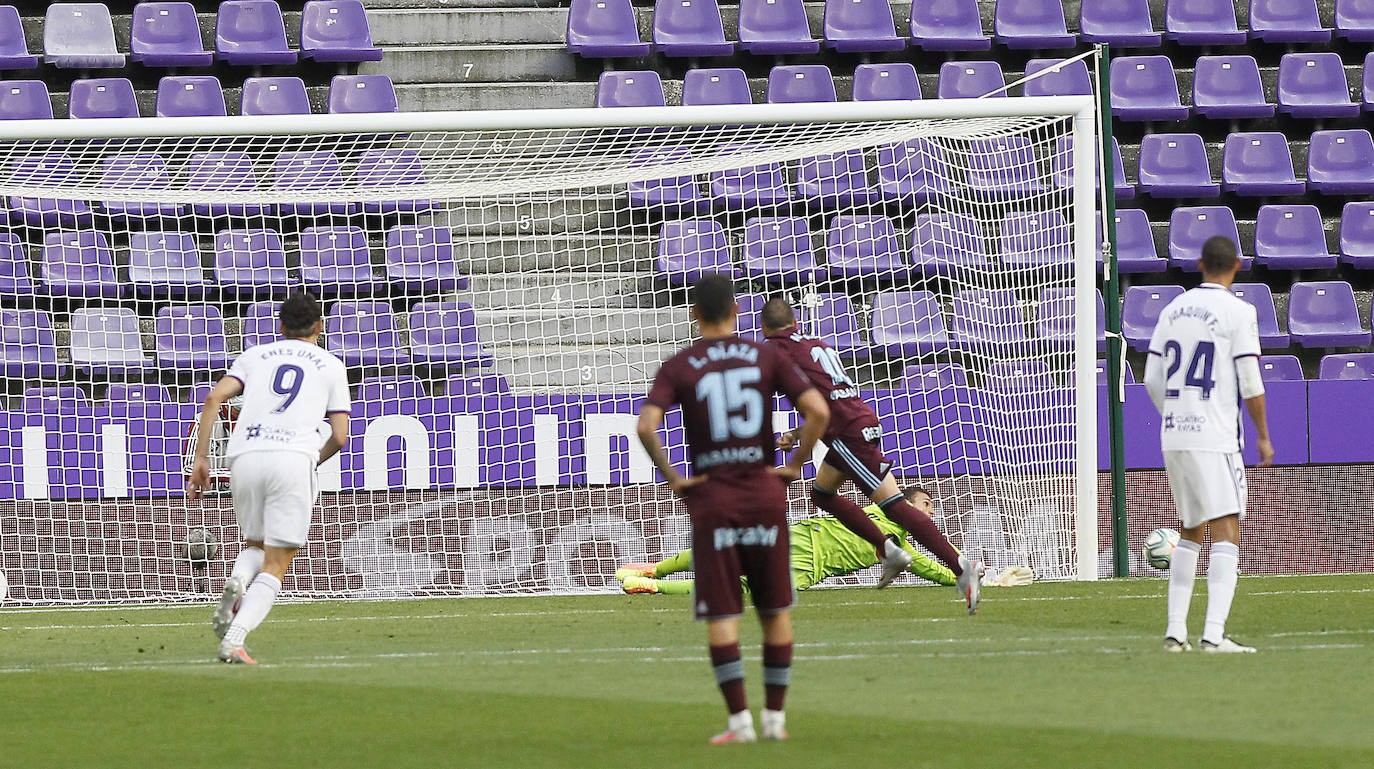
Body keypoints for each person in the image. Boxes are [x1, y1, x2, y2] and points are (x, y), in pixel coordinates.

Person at [637, 274, 829, 744]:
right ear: (737, 313)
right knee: (774, 608)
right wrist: (793, 466)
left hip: (714, 500)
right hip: (763, 493)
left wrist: (677, 478)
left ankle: (740, 722)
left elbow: (646, 426)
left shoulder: (680, 364)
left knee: (724, 615)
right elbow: (819, 412)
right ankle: (776, 722)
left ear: (695, 315)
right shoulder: (765, 356)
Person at [761, 297, 984, 613]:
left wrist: (797, 459)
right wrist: (798, 435)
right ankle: (888, 551)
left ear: (763, 329)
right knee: (822, 494)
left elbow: (821, 410)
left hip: (847, 432)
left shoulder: (776, 350)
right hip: (856, 421)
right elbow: (828, 401)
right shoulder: (814, 344)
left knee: (892, 504)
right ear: (795, 324)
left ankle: (960, 567)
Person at [187, 291, 352, 664]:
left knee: (255, 545)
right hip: (292, 458)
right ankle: (234, 639)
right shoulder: (330, 364)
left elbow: (213, 399)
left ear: (280, 326)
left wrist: (201, 459)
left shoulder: (254, 355)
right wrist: (311, 461)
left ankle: (238, 581)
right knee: (277, 563)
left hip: (244, 455)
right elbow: (340, 435)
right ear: (320, 327)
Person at [1144, 236, 1273, 654]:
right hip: (1214, 435)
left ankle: (1175, 632)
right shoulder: (1239, 312)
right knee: (1228, 526)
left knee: (1190, 529)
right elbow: (1250, 381)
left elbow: (1151, 379)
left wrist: (1174, 415)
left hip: (1175, 432)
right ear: (1236, 265)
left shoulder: (1171, 310)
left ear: (1199, 264)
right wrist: (1264, 436)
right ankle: (1214, 635)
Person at [616, 487, 1035, 595]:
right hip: (804, 562)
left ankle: (655, 571)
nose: (929, 513)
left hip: (794, 534)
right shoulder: (891, 533)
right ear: (905, 504)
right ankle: (654, 583)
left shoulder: (873, 515)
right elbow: (929, 568)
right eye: (924, 505)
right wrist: (975, 580)